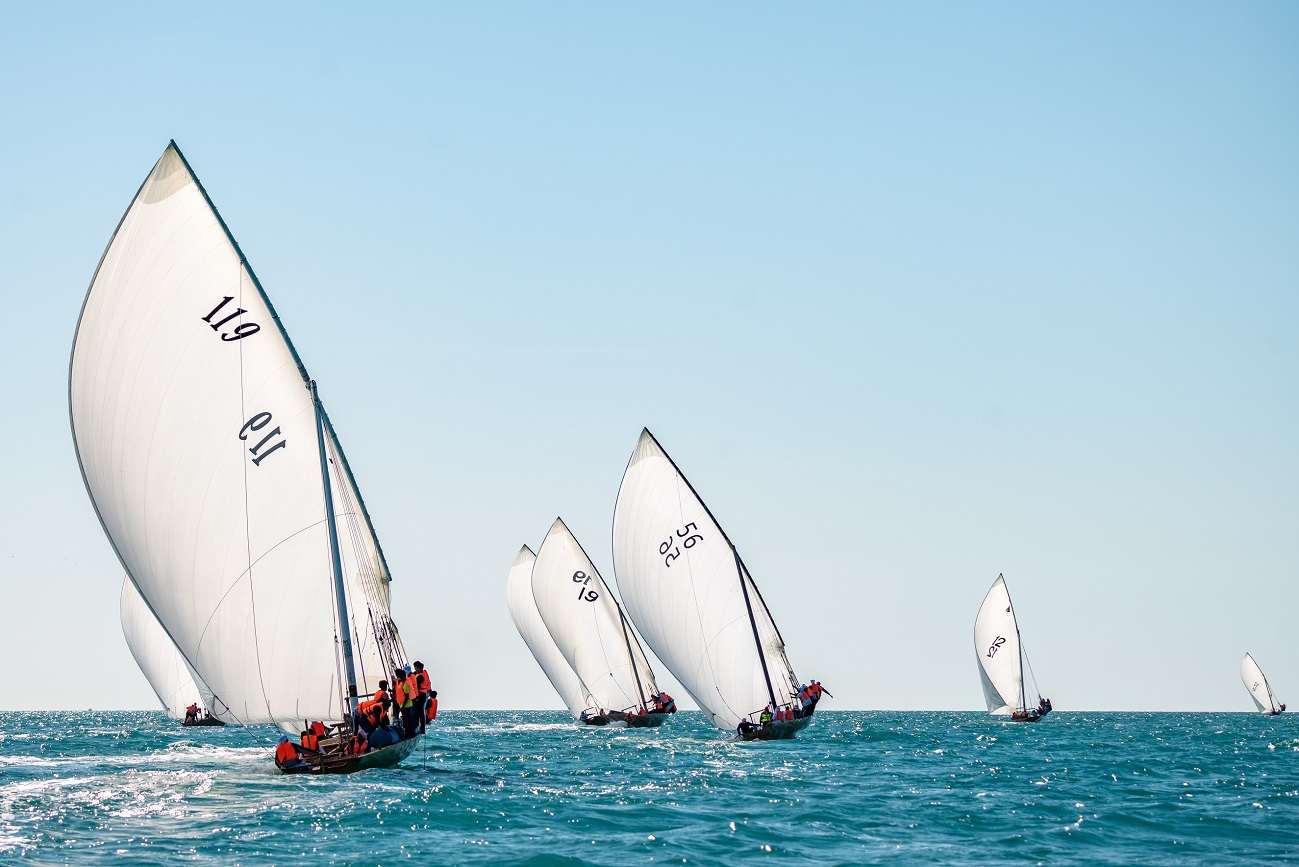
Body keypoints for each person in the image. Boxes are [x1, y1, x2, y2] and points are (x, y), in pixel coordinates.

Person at [393, 669, 416, 739]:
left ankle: (409, 734)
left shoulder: (405, 684)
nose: (399, 678)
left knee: (407, 721)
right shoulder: (401, 683)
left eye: (400, 677)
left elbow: (406, 697)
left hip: (406, 705)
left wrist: (402, 707)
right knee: (407, 720)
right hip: (404, 705)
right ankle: (409, 733)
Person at [412, 662, 431, 733]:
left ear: (420, 668)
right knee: (419, 711)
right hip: (422, 694)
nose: (415, 669)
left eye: (416, 668)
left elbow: (416, 684)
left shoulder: (420, 676)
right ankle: (420, 727)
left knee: (419, 711)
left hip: (421, 695)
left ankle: (421, 727)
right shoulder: (420, 674)